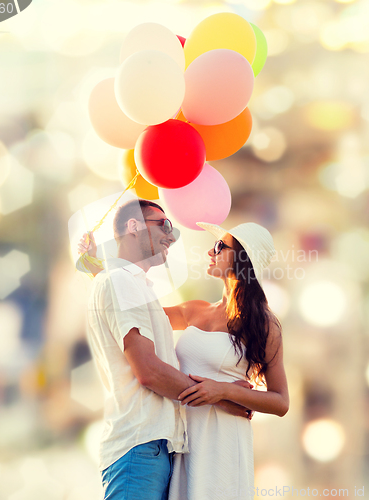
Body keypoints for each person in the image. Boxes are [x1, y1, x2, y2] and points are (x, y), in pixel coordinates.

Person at [80, 199, 252, 500]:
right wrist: (220, 397)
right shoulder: (121, 281)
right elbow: (148, 371)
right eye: (164, 225)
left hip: (153, 447)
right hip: (139, 447)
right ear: (133, 226)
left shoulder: (130, 285)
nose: (171, 236)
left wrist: (97, 269)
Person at [164, 221, 289, 500]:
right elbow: (136, 313)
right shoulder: (194, 310)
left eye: (221, 246)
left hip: (223, 440)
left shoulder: (263, 323)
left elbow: (281, 402)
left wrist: (224, 391)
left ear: (243, 258)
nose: (211, 251)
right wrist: (100, 271)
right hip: (182, 435)